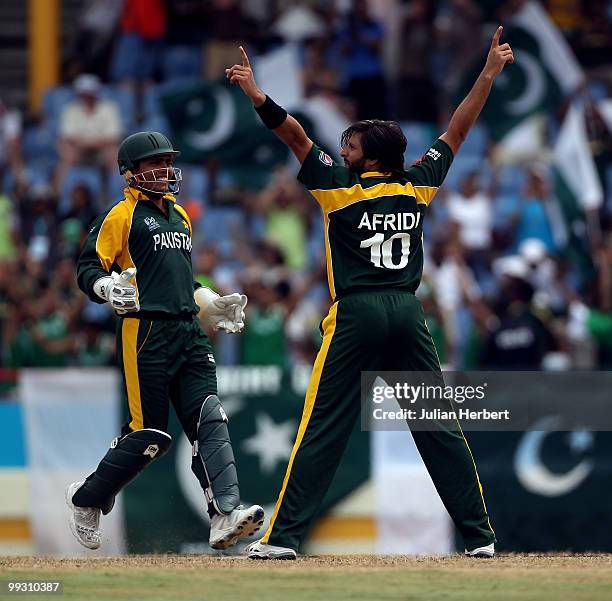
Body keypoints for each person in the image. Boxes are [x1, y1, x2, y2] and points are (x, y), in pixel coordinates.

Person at [226, 26, 514, 559]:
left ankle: (284, 538)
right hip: (408, 310)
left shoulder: (339, 188)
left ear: (368, 154)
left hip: (356, 312)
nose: (342, 147)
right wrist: (489, 72)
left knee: (323, 427)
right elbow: (459, 128)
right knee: (438, 425)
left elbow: (293, 135)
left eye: (350, 144)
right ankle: (479, 538)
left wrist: (255, 93)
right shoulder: (418, 185)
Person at [66, 131, 264, 550]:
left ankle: (224, 515)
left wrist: (210, 303)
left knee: (210, 418)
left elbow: (180, 279)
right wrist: (104, 288)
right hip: (146, 331)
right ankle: (87, 499)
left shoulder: (180, 215)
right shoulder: (120, 216)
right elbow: (87, 267)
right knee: (149, 433)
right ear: (130, 172)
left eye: (168, 162)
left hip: (188, 332)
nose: (164, 170)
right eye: (154, 163)